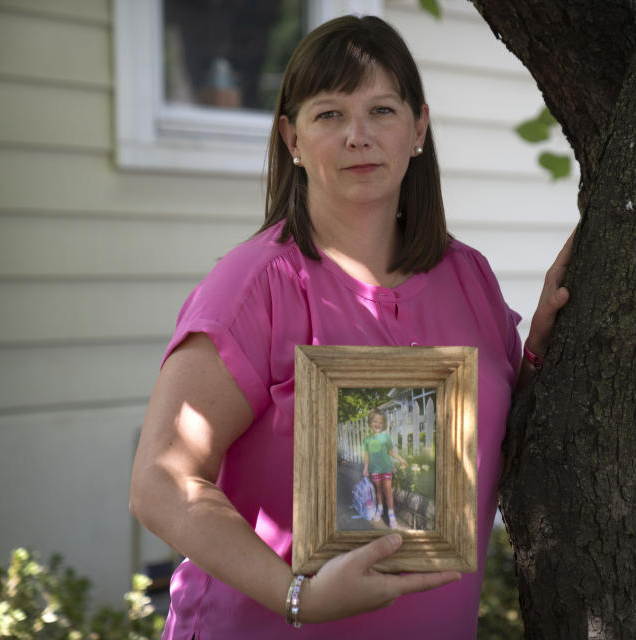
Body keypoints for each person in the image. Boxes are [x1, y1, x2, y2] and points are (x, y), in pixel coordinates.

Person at [129, 14, 571, 639]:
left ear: (419, 127)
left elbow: (503, 442)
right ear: (292, 139)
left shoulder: (468, 276)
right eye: (329, 114)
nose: (358, 136)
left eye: (382, 111)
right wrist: (296, 596)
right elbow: (159, 482)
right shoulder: (256, 285)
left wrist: (546, 347)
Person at [361, 411, 407, 529]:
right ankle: (380, 509)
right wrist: (365, 468)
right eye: (375, 422)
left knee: (387, 491)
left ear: (383, 424)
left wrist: (401, 459)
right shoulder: (366, 440)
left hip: (386, 469)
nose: (377, 424)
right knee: (378, 490)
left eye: (380, 422)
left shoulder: (386, 436)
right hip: (374, 470)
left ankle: (391, 515)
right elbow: (366, 455)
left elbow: (390, 451)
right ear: (370, 423)